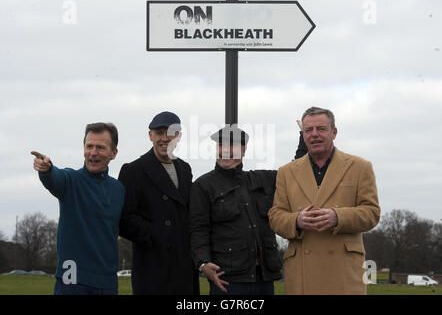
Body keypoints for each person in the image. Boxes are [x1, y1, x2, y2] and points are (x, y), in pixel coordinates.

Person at [268, 106, 381, 295]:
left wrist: (338, 217)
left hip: (344, 273)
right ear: (303, 135)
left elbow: (372, 213)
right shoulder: (286, 172)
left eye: (321, 129)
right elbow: (275, 216)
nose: (314, 135)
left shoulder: (360, 167)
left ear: (334, 132)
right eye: (308, 130)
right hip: (302, 274)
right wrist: (296, 220)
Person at [189, 125, 290, 295]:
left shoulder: (263, 179)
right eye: (221, 145)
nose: (225, 151)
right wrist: (203, 264)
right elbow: (198, 230)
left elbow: (296, 172)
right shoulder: (203, 186)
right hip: (227, 280)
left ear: (244, 150)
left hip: (264, 279)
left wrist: (306, 136)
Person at [31, 122, 125, 295]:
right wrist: (47, 169)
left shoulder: (118, 189)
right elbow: (55, 177)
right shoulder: (70, 180)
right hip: (71, 278)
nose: (93, 152)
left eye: (100, 147)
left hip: (108, 283)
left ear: (114, 153)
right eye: (89, 146)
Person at [118, 111, 199, 295]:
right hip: (153, 265)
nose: (165, 138)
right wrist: (156, 233)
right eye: (159, 133)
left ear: (178, 136)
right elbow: (123, 219)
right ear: (150, 135)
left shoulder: (185, 169)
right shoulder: (133, 171)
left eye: (170, 133)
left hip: (184, 265)